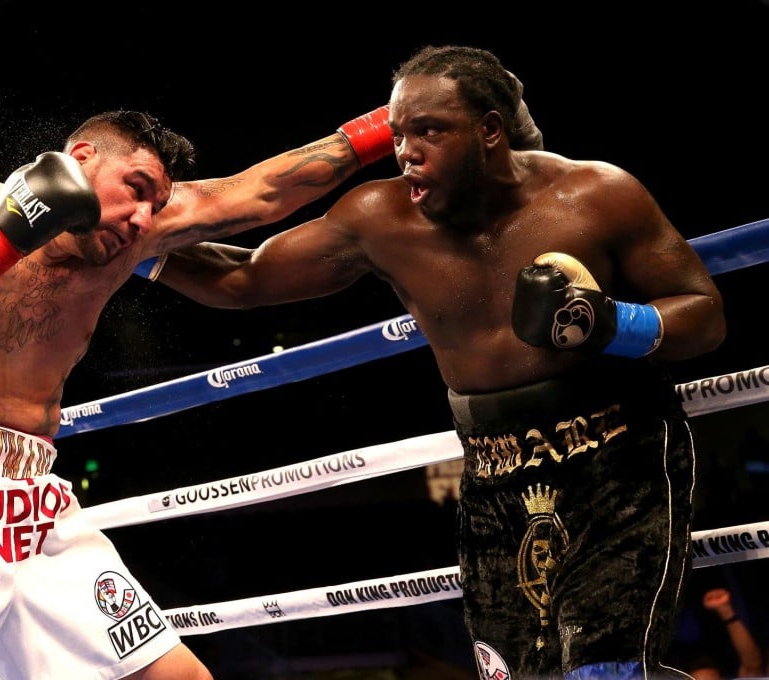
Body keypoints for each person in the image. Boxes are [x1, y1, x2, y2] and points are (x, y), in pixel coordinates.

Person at [0, 101, 463, 680]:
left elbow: (263, 191)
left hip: (34, 503)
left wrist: (399, 116)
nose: (143, 219)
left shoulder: (132, 236)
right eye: (135, 191)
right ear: (77, 162)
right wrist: (12, 229)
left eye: (156, 203)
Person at [147, 45, 727, 679]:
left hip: (618, 456)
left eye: (430, 131)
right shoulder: (379, 217)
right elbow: (244, 278)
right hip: (492, 476)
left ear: (489, 131)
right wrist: (124, 245)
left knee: (605, 671)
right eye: (399, 134)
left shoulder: (596, 195)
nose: (407, 151)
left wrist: (608, 323)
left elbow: (703, 314)